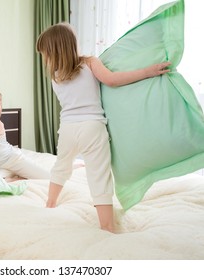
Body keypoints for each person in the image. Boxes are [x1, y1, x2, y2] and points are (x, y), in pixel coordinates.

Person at [36, 22, 171, 232]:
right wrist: (147, 71)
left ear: (53, 51)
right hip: (92, 126)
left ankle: (50, 203)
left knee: (61, 167)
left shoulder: (55, 76)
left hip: (68, 129)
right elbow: (113, 80)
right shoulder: (89, 63)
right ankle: (106, 226)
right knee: (99, 176)